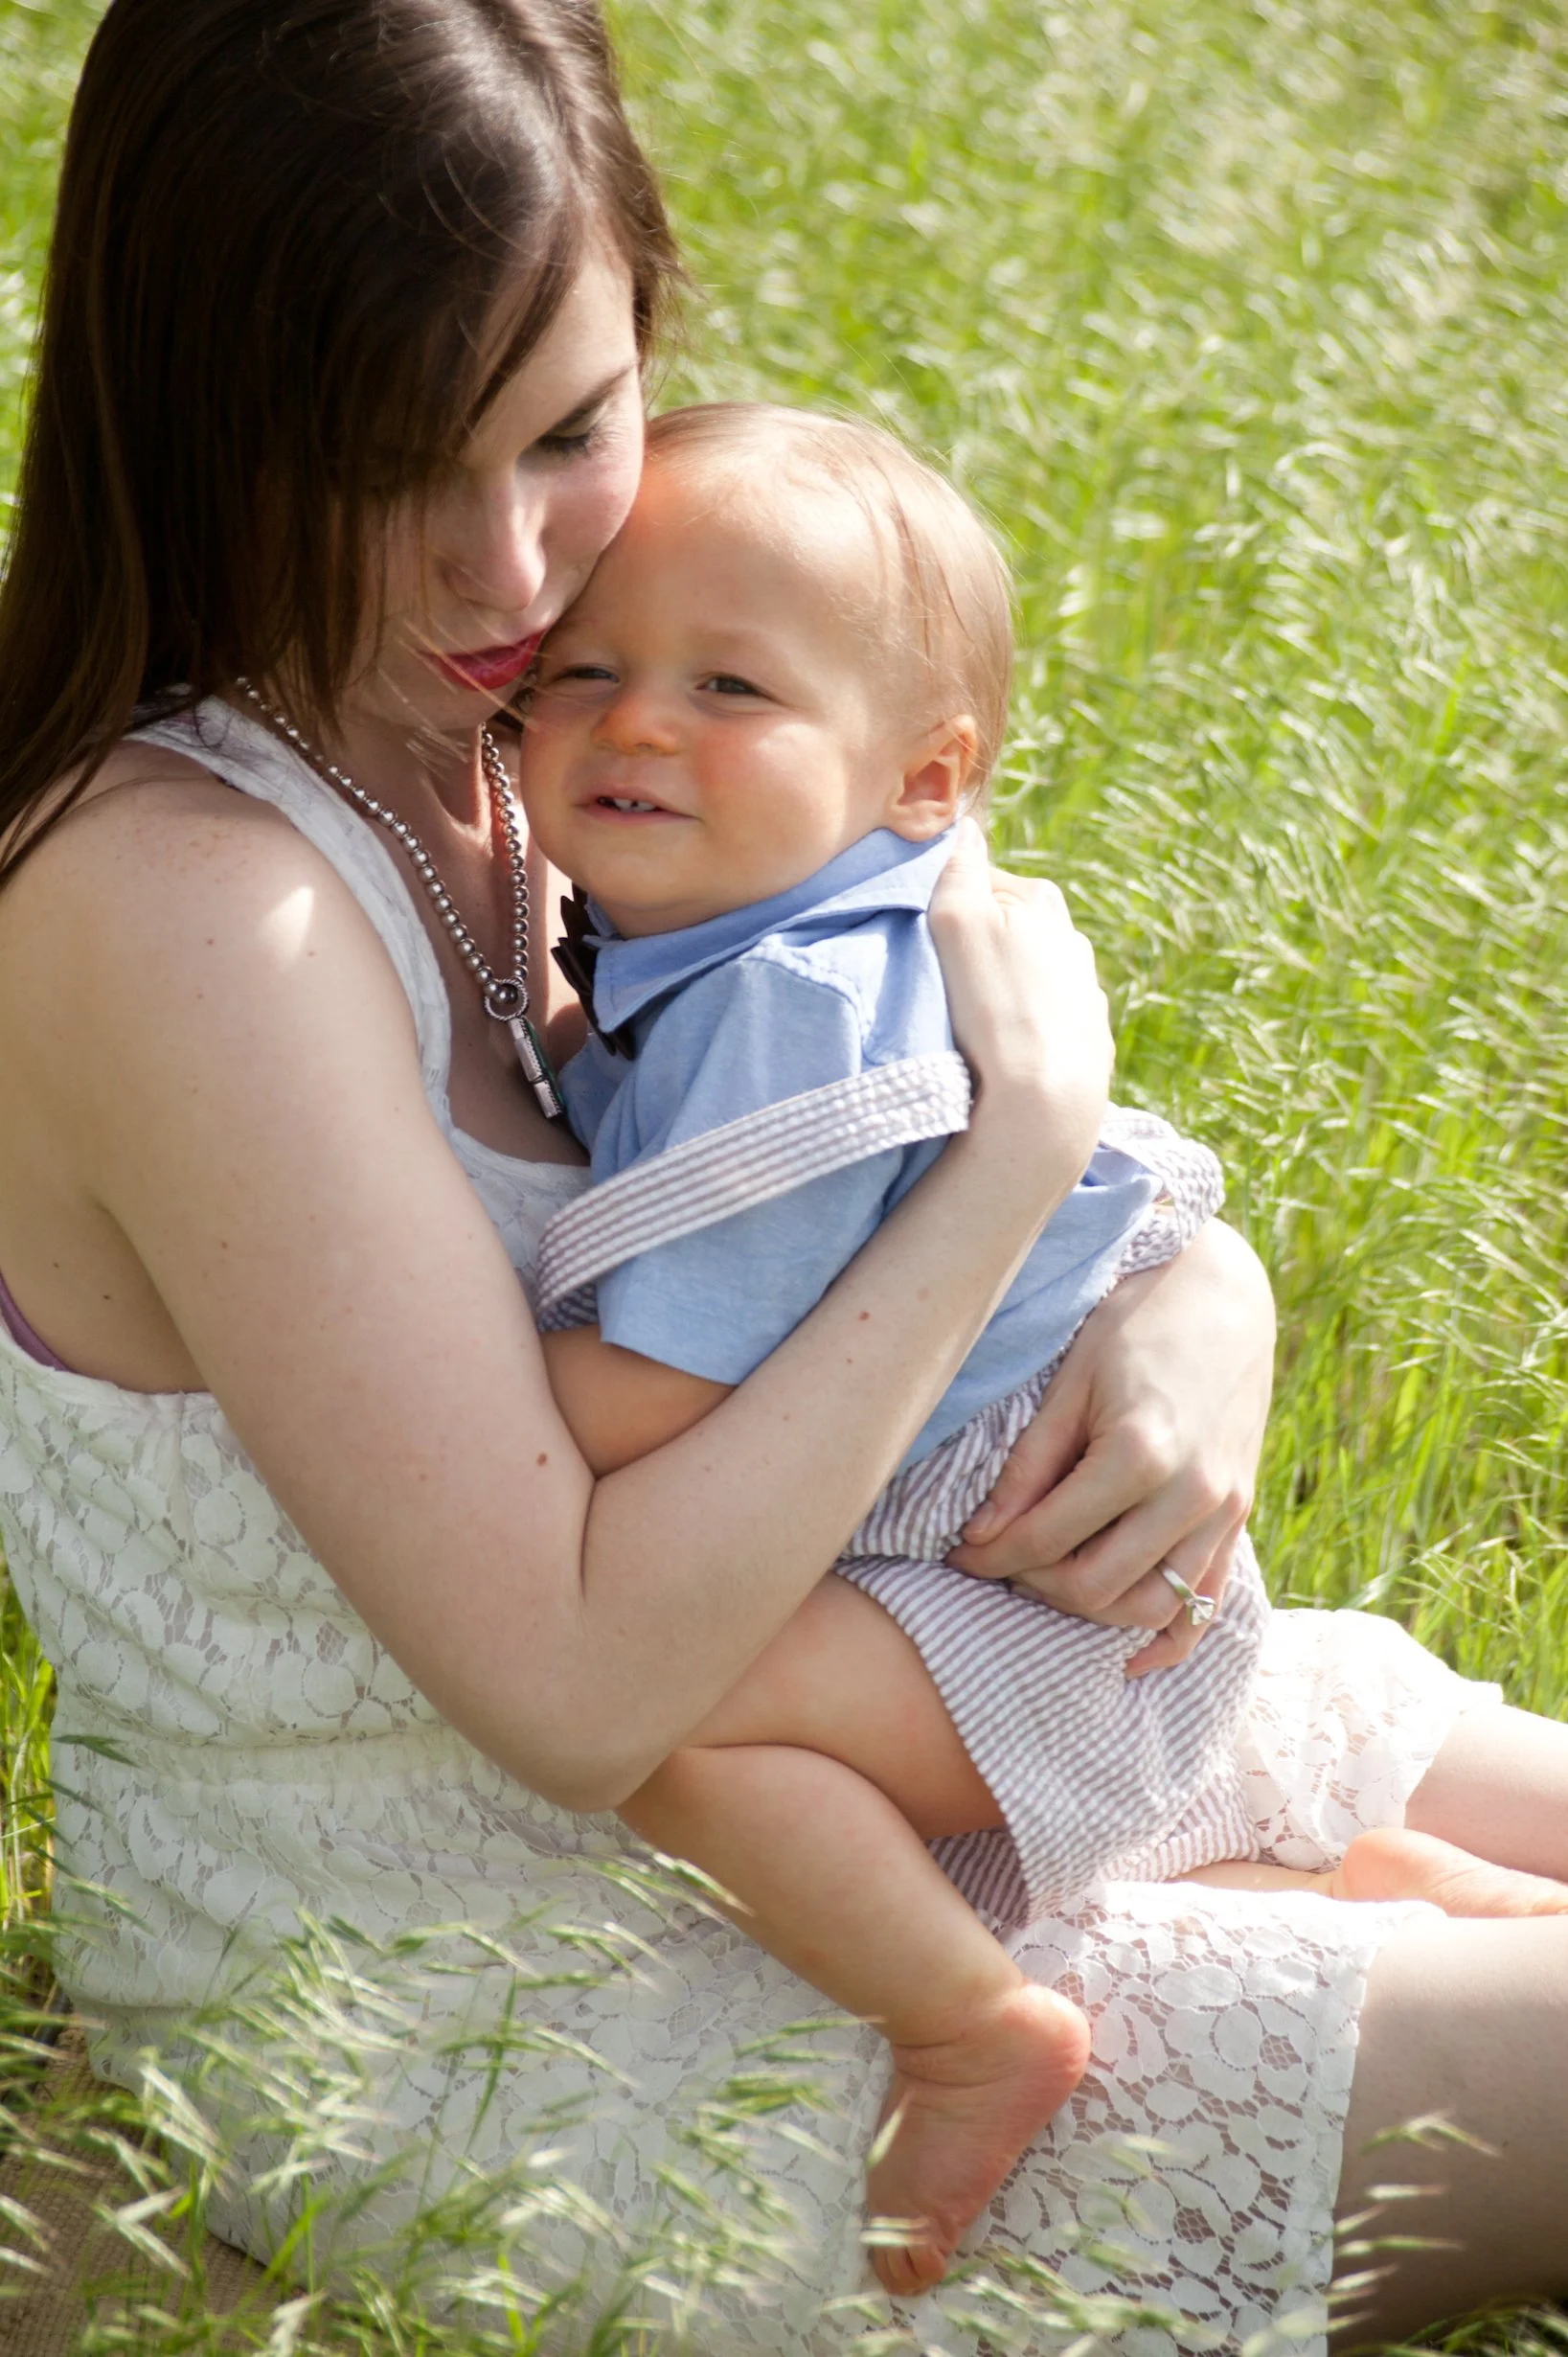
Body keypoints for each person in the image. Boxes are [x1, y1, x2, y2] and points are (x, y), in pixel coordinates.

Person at [0, 2, 1565, 2348]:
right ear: (195, 407)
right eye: (384, 465)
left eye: (568, 428)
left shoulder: (591, 708)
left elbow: (931, 1053)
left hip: (913, 1711)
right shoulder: (181, 909)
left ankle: (1297, 1865)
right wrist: (1012, 1161)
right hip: (503, 1991)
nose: (506, 562)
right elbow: (571, 1681)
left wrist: (1182, 1298)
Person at [511, 397, 1568, 2299]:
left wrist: (439, 1397)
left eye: (727, 688)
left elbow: (660, 1400)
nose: (635, 719)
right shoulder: (770, 932)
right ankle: (1325, 1886)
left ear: (925, 775)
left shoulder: (785, 1007)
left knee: (666, 1721)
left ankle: (965, 2017)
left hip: (1033, 1592)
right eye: (582, 669)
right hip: (1046, 1572)